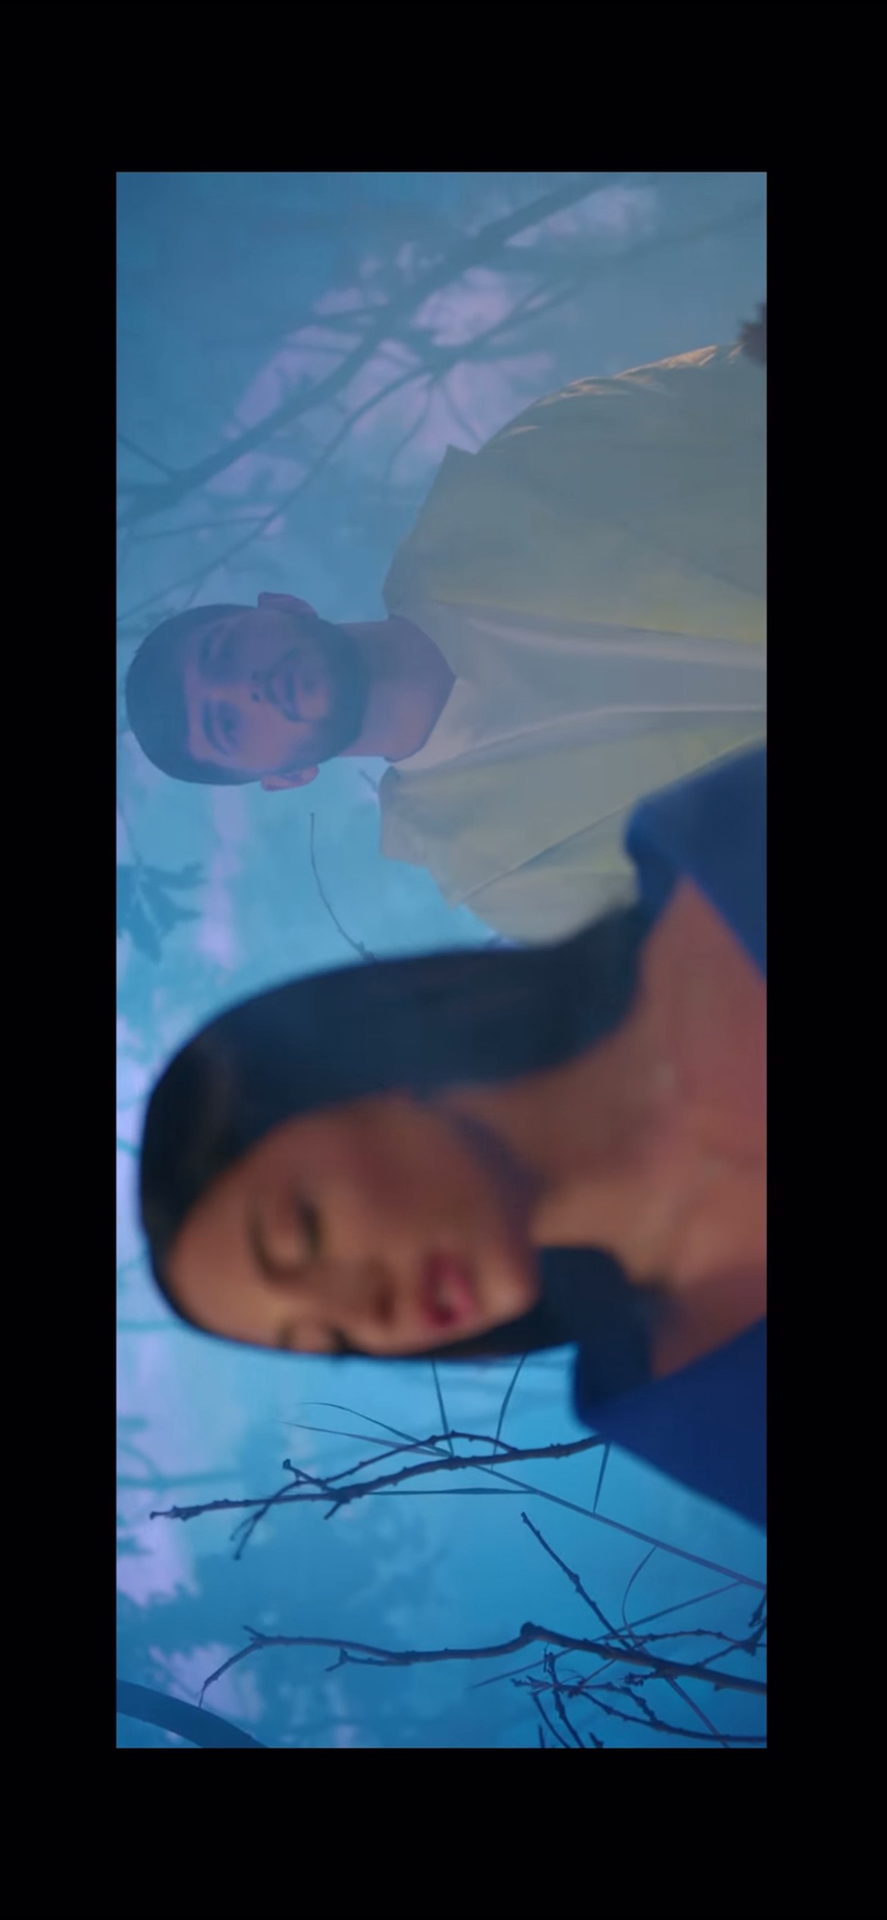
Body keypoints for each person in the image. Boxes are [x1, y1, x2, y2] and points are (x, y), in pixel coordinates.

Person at [139, 743, 766, 1527]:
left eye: (304, 1232)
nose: (370, 1314)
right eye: (333, 1339)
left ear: (350, 1070)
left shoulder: (719, 848)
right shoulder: (687, 1405)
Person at [125, 320, 766, 944]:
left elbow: (740, 382)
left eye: (226, 654)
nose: (249, 689)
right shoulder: (516, 884)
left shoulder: (523, 475)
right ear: (285, 778)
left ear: (283, 605)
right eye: (227, 725)